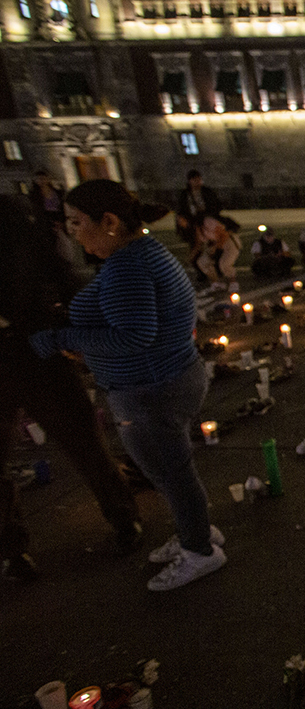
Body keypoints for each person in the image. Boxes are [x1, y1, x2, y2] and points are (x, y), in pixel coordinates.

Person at [29, 180, 226, 591]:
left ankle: (200, 551)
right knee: (172, 470)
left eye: (77, 222)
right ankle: (198, 531)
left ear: (111, 222)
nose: (71, 231)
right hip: (167, 378)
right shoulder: (145, 253)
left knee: (170, 472)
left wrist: (62, 339)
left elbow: (135, 335)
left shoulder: (127, 267)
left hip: (150, 388)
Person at [1, 195, 144, 582]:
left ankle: (123, 517)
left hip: (34, 349)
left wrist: (78, 325)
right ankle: (12, 550)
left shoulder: (14, 217)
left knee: (83, 439)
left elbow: (60, 274)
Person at [176, 169, 223, 277]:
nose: (198, 182)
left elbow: (216, 205)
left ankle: (217, 269)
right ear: (190, 181)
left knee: (215, 247)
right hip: (193, 224)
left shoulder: (207, 192)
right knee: (196, 247)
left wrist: (210, 216)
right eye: (195, 180)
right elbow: (181, 210)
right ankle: (200, 271)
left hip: (208, 222)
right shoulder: (185, 194)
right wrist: (183, 221)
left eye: (199, 180)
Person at [196, 210, 242, 292]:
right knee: (202, 262)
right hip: (214, 243)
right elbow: (202, 242)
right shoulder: (197, 228)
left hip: (229, 241)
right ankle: (216, 283)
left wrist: (216, 249)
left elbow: (224, 234)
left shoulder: (208, 222)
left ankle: (233, 283)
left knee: (224, 263)